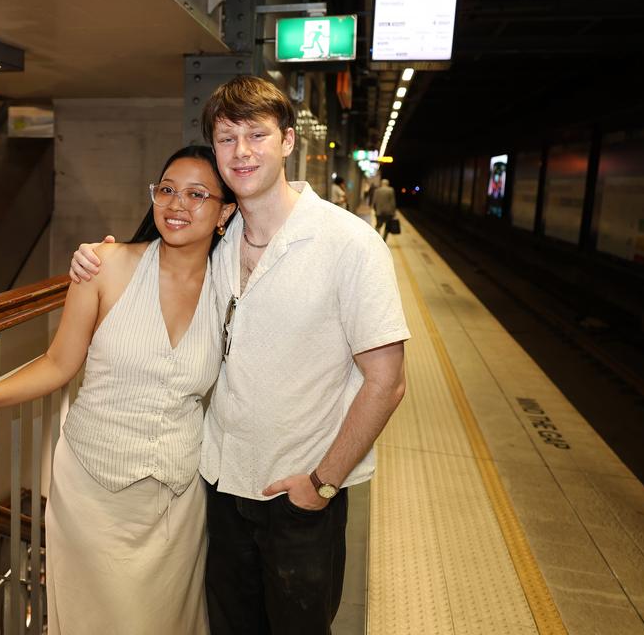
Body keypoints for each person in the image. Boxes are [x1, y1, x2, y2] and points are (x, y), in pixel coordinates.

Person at [70, 75, 409, 635]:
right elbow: (153, 253)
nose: (242, 151)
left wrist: (321, 484)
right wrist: (97, 254)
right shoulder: (221, 241)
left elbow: (387, 382)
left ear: (287, 143)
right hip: (220, 486)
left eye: (256, 134)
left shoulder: (349, 245)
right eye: (227, 138)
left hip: (299, 495)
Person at [0, 146, 236, 635]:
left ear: (225, 212)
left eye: (198, 195)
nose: (177, 204)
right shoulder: (105, 265)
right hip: (94, 490)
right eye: (167, 190)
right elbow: (58, 364)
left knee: (167, 621)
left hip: (177, 497)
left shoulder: (232, 288)